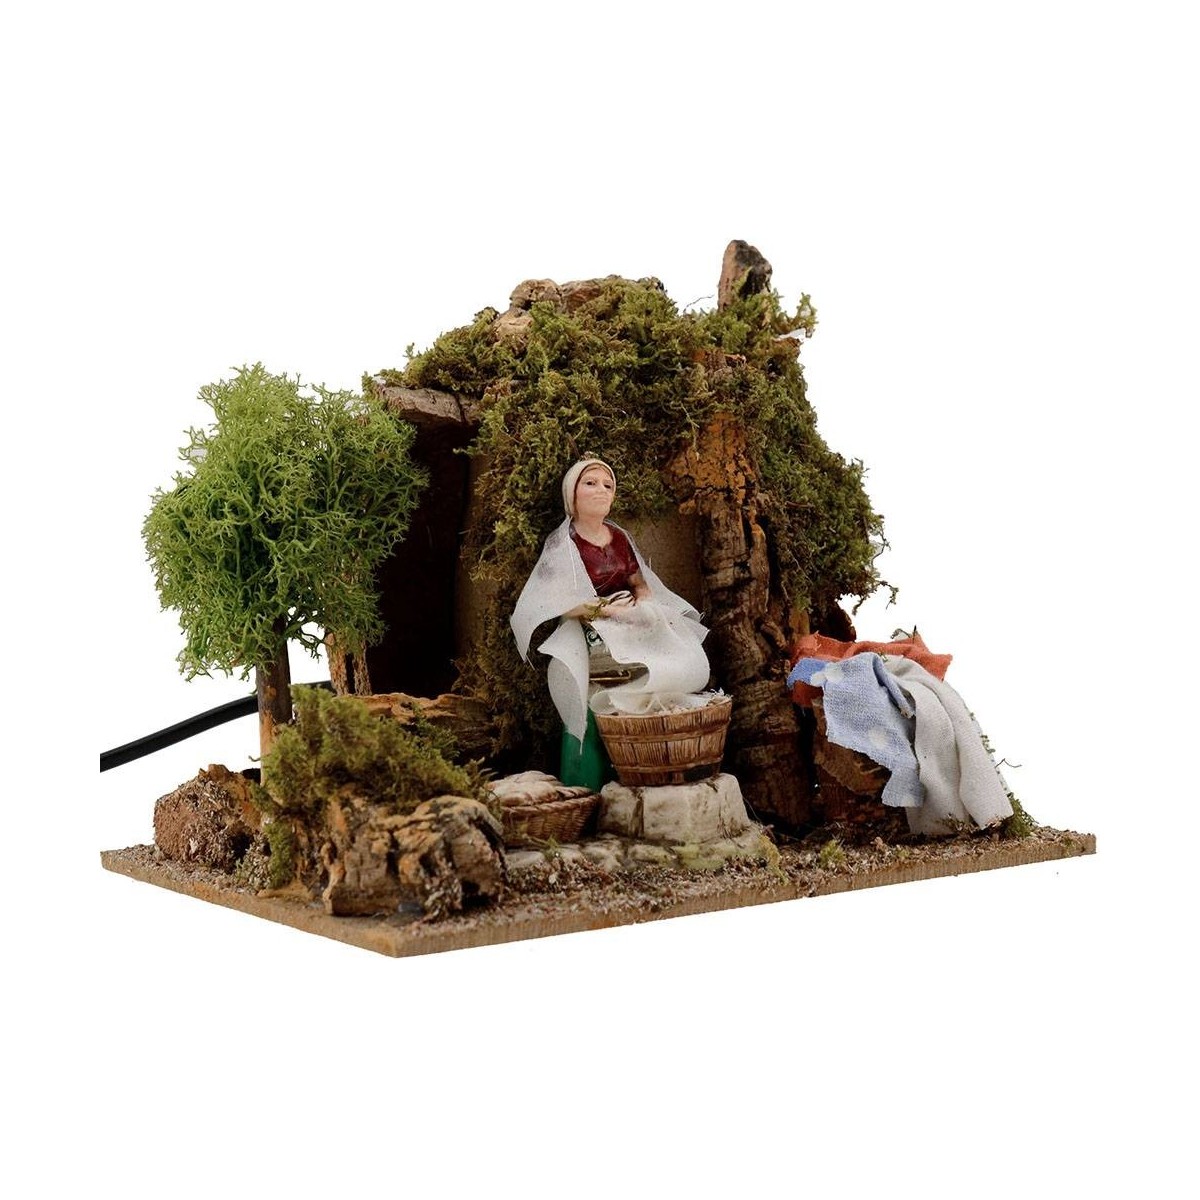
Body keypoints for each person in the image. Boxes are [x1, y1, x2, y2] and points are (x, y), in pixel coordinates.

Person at [510, 458, 711, 786]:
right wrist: (603, 610)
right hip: (590, 627)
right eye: (590, 483)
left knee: (673, 656)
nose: (601, 490)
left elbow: (639, 584)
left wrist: (643, 607)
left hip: (629, 619)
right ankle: (585, 784)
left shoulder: (618, 538)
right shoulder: (564, 544)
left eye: (608, 485)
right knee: (592, 699)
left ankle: (649, 759)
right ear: (572, 494)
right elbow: (557, 601)